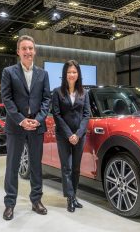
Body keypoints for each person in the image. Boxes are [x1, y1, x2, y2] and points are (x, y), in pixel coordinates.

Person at [1, 35, 51, 220]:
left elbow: (47, 99)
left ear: (35, 51)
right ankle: (10, 203)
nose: (28, 51)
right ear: (18, 52)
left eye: (30, 48)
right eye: (24, 48)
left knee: (36, 166)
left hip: (37, 126)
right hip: (16, 126)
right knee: (12, 166)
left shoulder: (43, 74)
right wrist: (21, 120)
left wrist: (38, 119)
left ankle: (36, 200)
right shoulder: (9, 72)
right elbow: (7, 99)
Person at [52, 60, 90, 212]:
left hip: (79, 136)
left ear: (78, 74)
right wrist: (69, 134)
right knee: (66, 167)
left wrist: (78, 134)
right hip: (63, 135)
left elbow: (87, 115)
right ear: (65, 74)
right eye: (69, 72)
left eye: (74, 72)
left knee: (75, 168)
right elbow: (57, 115)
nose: (72, 74)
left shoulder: (84, 93)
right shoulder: (57, 92)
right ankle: (70, 198)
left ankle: (74, 195)